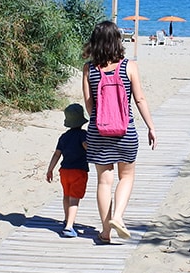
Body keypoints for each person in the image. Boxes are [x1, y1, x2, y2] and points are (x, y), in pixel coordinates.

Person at [82, 20, 157, 244]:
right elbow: (140, 98)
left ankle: (105, 232)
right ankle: (118, 216)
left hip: (98, 131)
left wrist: (100, 119)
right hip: (125, 131)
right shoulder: (129, 66)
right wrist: (151, 126)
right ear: (118, 41)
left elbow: (88, 104)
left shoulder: (89, 68)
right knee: (127, 176)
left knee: (104, 182)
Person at [44, 103, 88, 237]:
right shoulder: (83, 135)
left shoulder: (63, 137)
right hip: (78, 171)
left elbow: (57, 154)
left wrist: (50, 169)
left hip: (64, 171)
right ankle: (69, 227)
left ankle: (66, 219)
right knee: (74, 199)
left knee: (66, 196)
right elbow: (87, 147)